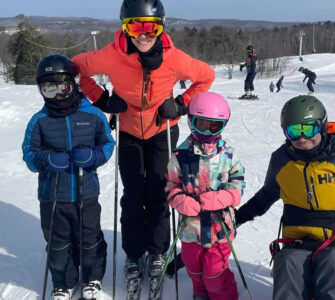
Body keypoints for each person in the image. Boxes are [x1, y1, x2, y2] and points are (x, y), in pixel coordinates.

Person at [72, 0, 215, 296]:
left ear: (160, 27)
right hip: (128, 133)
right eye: (135, 27)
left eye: (151, 27)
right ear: (125, 28)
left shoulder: (174, 58)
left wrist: (180, 104)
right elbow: (77, 68)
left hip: (162, 130)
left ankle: (157, 249)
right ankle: (134, 253)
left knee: (161, 192)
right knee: (134, 194)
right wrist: (102, 100)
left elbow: (206, 76)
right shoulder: (111, 55)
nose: (143, 35)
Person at [236, 95, 335, 300]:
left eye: (308, 129)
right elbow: (266, 196)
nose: (301, 138)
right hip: (300, 242)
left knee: (333, 262)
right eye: (293, 131)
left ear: (322, 126)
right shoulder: (281, 159)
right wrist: (236, 219)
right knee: (287, 262)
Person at [22, 55, 115, 300]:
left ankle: (92, 277)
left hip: (87, 191)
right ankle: (64, 281)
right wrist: (46, 160)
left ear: (73, 84)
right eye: (48, 89)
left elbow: (107, 144)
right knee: (57, 242)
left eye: (62, 86)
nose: (57, 94)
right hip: (53, 195)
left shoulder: (93, 114)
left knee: (89, 236)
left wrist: (93, 156)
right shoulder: (39, 120)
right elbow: (29, 155)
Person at [166, 92, 245, 300]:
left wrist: (226, 196)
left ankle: (224, 296)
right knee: (192, 265)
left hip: (220, 227)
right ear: (191, 121)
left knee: (214, 270)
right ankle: (200, 293)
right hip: (191, 227)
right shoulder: (180, 155)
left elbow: (239, 181)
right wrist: (179, 199)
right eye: (202, 124)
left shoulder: (228, 154)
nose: (208, 131)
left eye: (214, 126)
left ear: (223, 125)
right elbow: (171, 184)